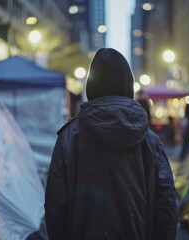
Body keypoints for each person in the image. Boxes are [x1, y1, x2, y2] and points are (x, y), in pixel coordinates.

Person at [45, 48, 178, 240]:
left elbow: (55, 205)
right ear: (128, 85)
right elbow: (165, 205)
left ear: (91, 85)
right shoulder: (149, 140)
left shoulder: (69, 138)